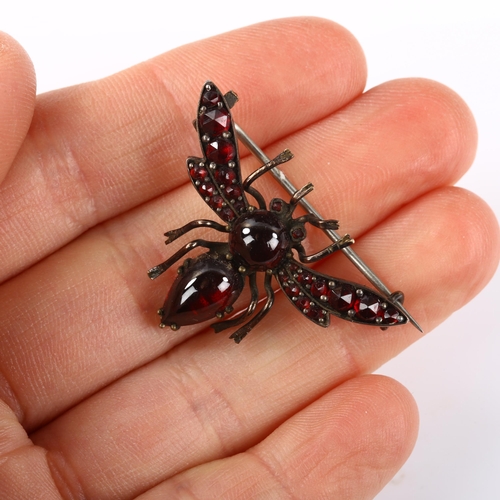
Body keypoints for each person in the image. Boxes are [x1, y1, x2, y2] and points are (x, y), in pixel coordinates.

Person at [0, 17, 498, 499]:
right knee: (232, 274)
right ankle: (194, 307)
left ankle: (190, 301)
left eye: (287, 219)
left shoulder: (234, 212)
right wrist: (247, 316)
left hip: (215, 271)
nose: (284, 214)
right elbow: (245, 273)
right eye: (285, 213)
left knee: (205, 245)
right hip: (221, 279)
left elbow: (203, 222)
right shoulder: (280, 263)